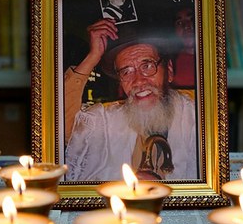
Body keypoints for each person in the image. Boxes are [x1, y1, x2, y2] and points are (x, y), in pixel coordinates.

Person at [64, 19, 197, 181]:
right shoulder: (106, 120)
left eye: (147, 66)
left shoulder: (197, 116)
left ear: (168, 71)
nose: (139, 81)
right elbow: (61, 130)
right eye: (127, 72)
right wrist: (92, 57)